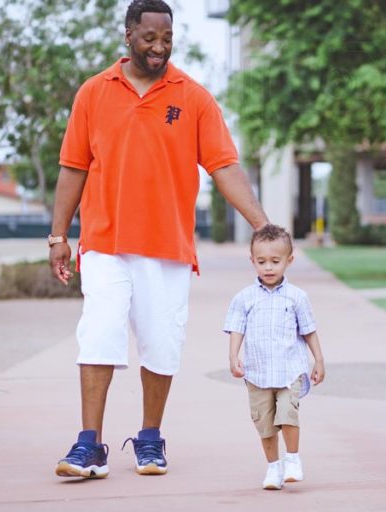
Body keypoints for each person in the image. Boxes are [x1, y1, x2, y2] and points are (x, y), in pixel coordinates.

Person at [49, 0, 268, 479]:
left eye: (166, 38)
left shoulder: (192, 96)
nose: (159, 47)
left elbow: (224, 166)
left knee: (162, 344)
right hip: (105, 241)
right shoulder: (93, 92)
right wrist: (58, 236)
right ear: (128, 35)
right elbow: (73, 168)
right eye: (149, 38)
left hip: (168, 245)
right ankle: (90, 445)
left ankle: (150, 439)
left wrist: (260, 224)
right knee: (99, 334)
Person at [224, 224, 325, 490]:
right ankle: (273, 467)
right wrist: (233, 355)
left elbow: (309, 331)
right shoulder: (244, 298)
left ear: (289, 261)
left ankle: (292, 459)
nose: (268, 267)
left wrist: (319, 360)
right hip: (257, 373)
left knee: (288, 414)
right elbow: (236, 328)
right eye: (261, 262)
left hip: (289, 370)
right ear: (252, 261)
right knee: (265, 425)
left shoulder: (297, 297)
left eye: (275, 261)